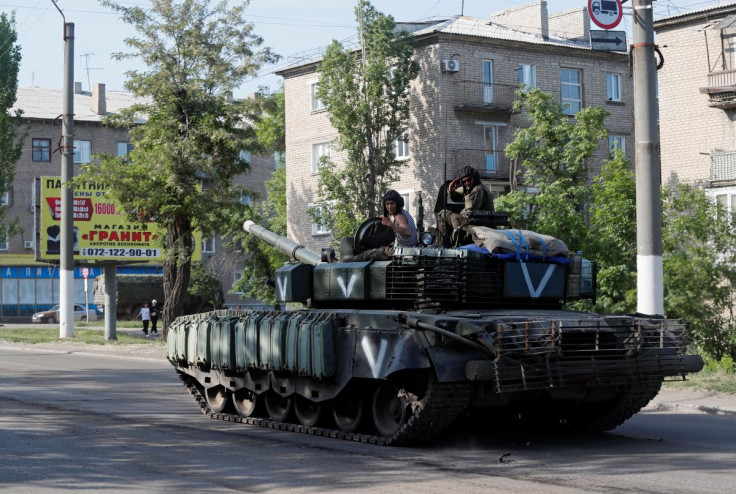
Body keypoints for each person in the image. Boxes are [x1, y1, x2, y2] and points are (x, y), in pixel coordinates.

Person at [346, 190, 418, 261]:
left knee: (369, 253)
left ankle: (347, 261)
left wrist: (390, 224)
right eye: (387, 204)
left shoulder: (400, 216)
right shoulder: (399, 214)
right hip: (404, 249)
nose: (389, 206)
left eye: (392, 203)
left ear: (397, 203)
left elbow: (407, 233)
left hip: (403, 250)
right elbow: (383, 219)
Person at [437, 165, 494, 245]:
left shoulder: (478, 189)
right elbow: (456, 197)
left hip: (477, 224)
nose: (467, 183)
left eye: (469, 180)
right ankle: (453, 240)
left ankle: (444, 244)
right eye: (464, 181)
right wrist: (450, 190)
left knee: (443, 214)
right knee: (452, 215)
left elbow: (470, 211)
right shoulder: (469, 188)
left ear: (474, 178)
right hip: (477, 222)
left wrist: (458, 213)